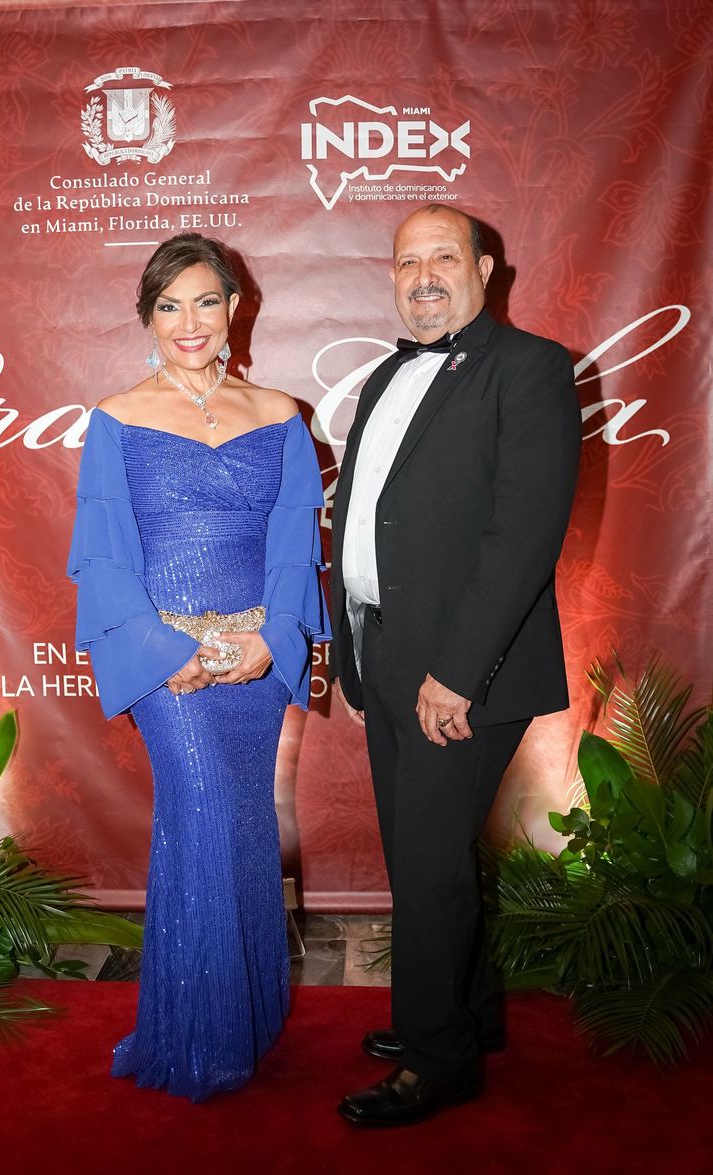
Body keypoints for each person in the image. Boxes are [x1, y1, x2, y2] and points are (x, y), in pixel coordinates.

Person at [329, 204, 581, 1127]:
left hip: (462, 668)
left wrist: (456, 671)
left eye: (443, 257)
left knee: (430, 863)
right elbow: (374, 522)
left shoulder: (530, 368)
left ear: (485, 268)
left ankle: (437, 1061)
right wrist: (360, 652)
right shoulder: (390, 374)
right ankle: (463, 1016)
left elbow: (523, 536)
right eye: (406, 261)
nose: (423, 275)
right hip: (386, 650)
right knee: (419, 857)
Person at [67, 233, 330, 1102]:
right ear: (146, 318)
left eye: (206, 301)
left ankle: (244, 1018)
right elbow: (103, 558)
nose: (190, 321)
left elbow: (297, 544)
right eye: (169, 305)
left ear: (234, 310)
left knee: (245, 822)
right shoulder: (115, 417)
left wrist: (277, 634)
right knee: (206, 809)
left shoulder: (281, 414)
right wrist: (161, 654)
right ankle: (200, 1036)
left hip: (253, 659)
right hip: (168, 665)